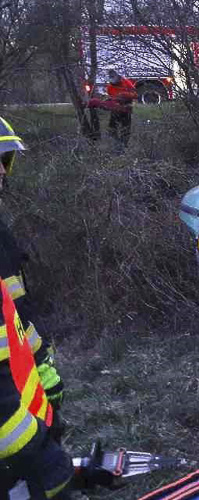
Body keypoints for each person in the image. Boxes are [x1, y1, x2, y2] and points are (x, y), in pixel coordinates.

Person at [0, 117, 72, 498]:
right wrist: (34, 444)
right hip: (8, 405)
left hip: (21, 375)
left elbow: (16, 314)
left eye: (4, 159)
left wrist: (42, 364)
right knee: (49, 472)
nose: (1, 169)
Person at [106, 70, 137, 147]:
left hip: (127, 107)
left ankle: (124, 144)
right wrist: (110, 100)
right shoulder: (109, 87)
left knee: (126, 128)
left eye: (114, 78)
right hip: (115, 109)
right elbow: (110, 97)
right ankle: (117, 143)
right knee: (112, 128)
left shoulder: (126, 82)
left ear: (117, 76)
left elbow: (135, 94)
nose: (113, 82)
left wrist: (125, 95)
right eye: (111, 78)